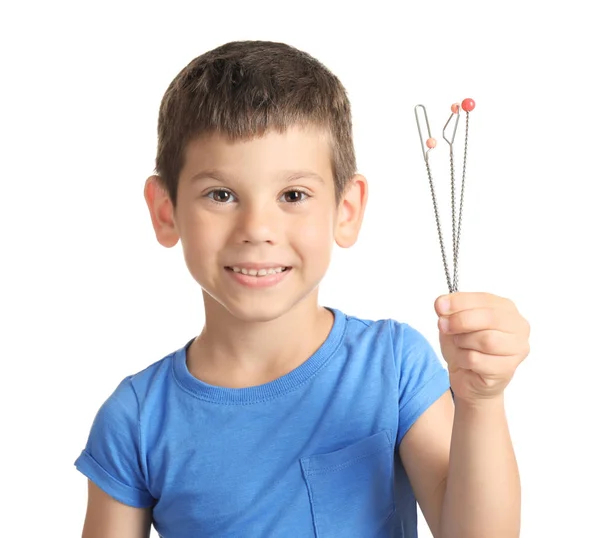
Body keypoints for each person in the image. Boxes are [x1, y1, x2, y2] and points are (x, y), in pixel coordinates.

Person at [74, 40, 530, 538]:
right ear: (166, 212)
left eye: (293, 195)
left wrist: (482, 403)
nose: (257, 228)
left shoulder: (393, 366)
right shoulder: (136, 420)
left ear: (346, 209)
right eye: (220, 194)